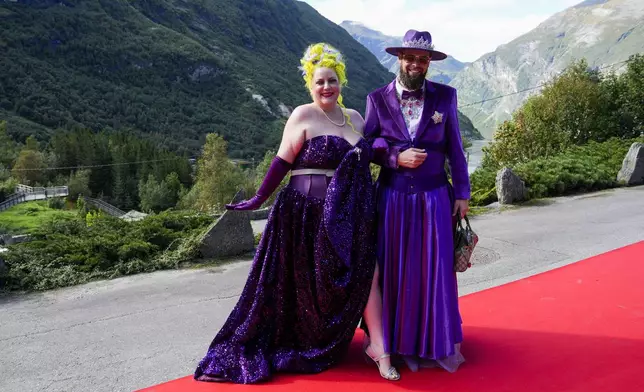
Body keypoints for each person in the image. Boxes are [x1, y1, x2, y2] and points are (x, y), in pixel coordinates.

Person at [193, 42, 399, 384]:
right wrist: (259, 197)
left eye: (332, 80)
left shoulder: (357, 120)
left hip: (350, 215)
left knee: (369, 272)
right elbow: (281, 161)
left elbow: (371, 158)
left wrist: (394, 159)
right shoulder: (303, 115)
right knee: (307, 284)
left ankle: (380, 348)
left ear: (341, 81)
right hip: (305, 215)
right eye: (319, 82)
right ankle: (307, 338)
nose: (326, 87)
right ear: (310, 84)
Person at [362, 29, 471, 373]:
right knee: (394, 270)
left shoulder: (446, 97)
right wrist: (395, 157)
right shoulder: (377, 99)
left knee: (434, 269)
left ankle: (433, 340)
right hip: (392, 198)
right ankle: (393, 343)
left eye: (422, 59)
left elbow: (455, 146)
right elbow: (367, 147)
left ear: (429, 63)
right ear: (399, 59)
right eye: (410, 57)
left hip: (436, 196)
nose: (415, 64)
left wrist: (463, 192)